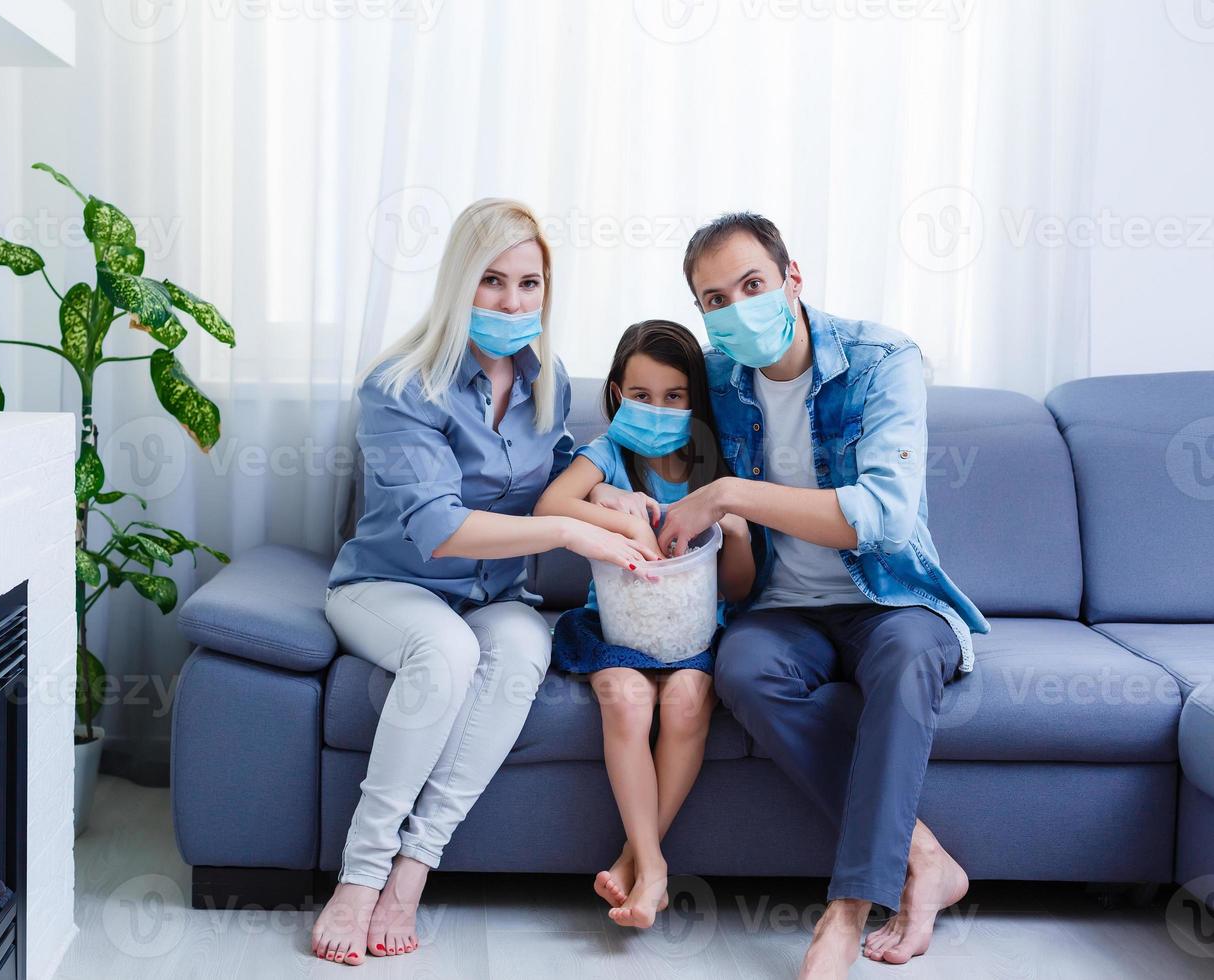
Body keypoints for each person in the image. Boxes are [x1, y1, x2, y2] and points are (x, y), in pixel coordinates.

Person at [604, 212, 988, 979]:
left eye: (752, 285)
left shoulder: (884, 359)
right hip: (781, 608)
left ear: (792, 279)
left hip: (890, 598)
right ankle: (925, 857)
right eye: (714, 299)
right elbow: (632, 429)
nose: (737, 308)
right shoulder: (714, 379)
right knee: (741, 670)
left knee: (910, 659)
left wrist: (726, 493)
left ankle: (845, 915)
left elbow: (882, 516)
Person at [313, 198, 660, 966]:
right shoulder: (400, 385)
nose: (512, 302)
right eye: (492, 282)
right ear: (459, 284)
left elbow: (558, 459)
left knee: (522, 648)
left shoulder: (549, 380)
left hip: (497, 597)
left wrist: (605, 495)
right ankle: (361, 876)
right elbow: (439, 531)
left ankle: (414, 868)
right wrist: (571, 530)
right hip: (389, 588)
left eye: (529, 284)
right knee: (444, 652)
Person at [535, 319, 755, 929]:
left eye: (674, 396)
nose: (657, 409)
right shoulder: (606, 454)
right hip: (616, 629)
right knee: (626, 700)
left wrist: (733, 529)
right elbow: (550, 507)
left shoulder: (714, 468)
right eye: (641, 395)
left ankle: (637, 860)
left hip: (694, 633)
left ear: (694, 401)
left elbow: (736, 588)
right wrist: (606, 499)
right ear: (614, 394)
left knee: (686, 702)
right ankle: (655, 869)